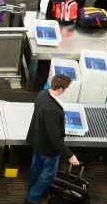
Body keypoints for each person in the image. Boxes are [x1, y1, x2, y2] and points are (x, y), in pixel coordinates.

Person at [26, 74, 79, 204]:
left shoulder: (42, 94)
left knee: (36, 168)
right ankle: (33, 198)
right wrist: (69, 155)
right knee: (48, 174)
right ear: (60, 90)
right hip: (48, 148)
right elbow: (55, 138)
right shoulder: (53, 110)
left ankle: (32, 190)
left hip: (37, 140)